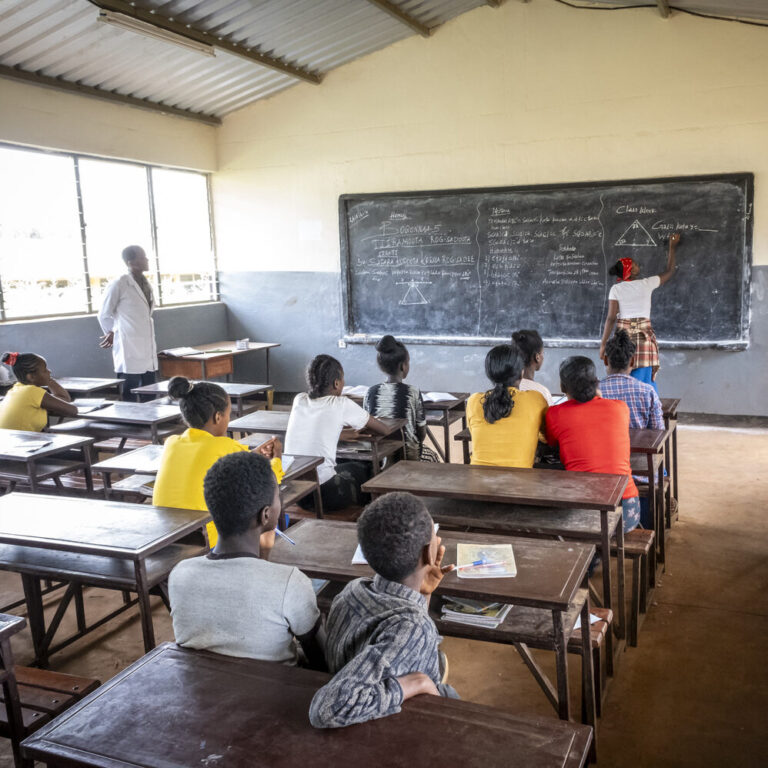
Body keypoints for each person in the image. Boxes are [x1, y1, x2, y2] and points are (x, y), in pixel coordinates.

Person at [309, 491, 456, 728]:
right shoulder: (413, 627)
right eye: (434, 534)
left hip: (356, 680)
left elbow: (406, 637)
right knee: (454, 701)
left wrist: (424, 593)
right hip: (391, 722)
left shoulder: (352, 590)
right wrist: (414, 683)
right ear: (428, 552)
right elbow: (326, 709)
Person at [168, 451, 325, 668]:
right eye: (278, 495)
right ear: (266, 515)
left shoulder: (180, 574)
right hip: (273, 697)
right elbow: (321, 658)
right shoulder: (289, 582)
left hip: (202, 693)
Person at [153, 376, 283, 548]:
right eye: (229, 414)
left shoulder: (172, 442)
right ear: (218, 417)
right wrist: (276, 458)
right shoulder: (224, 446)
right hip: (206, 539)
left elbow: (212, 455)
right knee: (263, 515)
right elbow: (268, 479)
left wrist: (252, 455)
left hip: (163, 535)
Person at [545, 356, 640, 533]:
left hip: (582, 511)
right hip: (626, 510)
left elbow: (552, 442)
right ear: (596, 383)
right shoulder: (620, 408)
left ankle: (591, 556)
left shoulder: (555, 414)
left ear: (563, 387)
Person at [284, 355, 389, 512]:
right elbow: (384, 429)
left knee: (340, 461)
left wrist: (341, 434)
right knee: (368, 468)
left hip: (297, 493)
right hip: (324, 494)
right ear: (337, 383)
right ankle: (373, 512)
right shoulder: (341, 404)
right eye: (343, 379)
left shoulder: (299, 399)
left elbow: (314, 430)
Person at [599, 233, 681, 391]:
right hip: (644, 338)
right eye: (635, 264)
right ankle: (647, 408)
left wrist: (603, 344)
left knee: (621, 379)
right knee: (644, 384)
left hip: (622, 339)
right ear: (629, 270)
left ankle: (623, 411)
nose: (638, 265)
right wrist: (672, 247)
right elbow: (670, 271)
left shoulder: (616, 289)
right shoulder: (646, 284)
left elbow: (610, 318)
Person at [466, 344, 548, 468]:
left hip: (477, 481)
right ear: (522, 373)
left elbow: (475, 433)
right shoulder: (535, 399)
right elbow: (546, 437)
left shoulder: (474, 401)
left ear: (490, 373)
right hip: (519, 484)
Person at [363, 335, 438, 462]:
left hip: (380, 457)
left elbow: (367, 425)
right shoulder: (412, 392)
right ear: (403, 366)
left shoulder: (370, 392)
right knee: (432, 457)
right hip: (409, 456)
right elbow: (421, 434)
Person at [97, 245, 158, 401]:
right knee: (129, 392)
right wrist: (111, 332)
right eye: (143, 257)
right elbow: (104, 314)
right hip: (128, 345)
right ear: (131, 261)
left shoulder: (145, 283)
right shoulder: (119, 283)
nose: (146, 260)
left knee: (150, 392)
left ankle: (150, 424)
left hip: (146, 347)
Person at [600, 330, 664, 430]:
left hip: (604, 445)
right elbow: (658, 431)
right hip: (640, 445)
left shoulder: (594, 392)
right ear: (633, 362)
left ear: (605, 360)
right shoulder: (647, 391)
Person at [0, 352, 76, 431]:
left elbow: (64, 399)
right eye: (45, 370)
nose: (49, 371)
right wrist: (49, 380)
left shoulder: (16, 389)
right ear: (31, 377)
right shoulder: (32, 391)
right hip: (19, 442)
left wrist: (48, 379)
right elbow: (72, 410)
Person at [512, 329, 554, 405]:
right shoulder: (542, 392)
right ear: (537, 357)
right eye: (542, 353)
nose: (543, 357)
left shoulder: (503, 388)